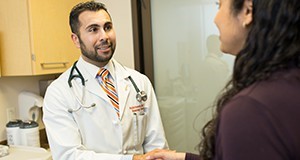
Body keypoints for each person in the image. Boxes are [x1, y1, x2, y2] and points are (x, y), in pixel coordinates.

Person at [146, 0, 300, 159]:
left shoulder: (249, 111)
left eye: (219, 5)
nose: (215, 19)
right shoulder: (287, 83)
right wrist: (183, 158)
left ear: (247, 11)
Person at [42, 1, 168, 160]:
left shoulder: (139, 82)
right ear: (76, 39)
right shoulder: (59, 92)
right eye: (93, 30)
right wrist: (132, 159)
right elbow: (69, 155)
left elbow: (157, 146)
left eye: (107, 27)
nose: (104, 36)